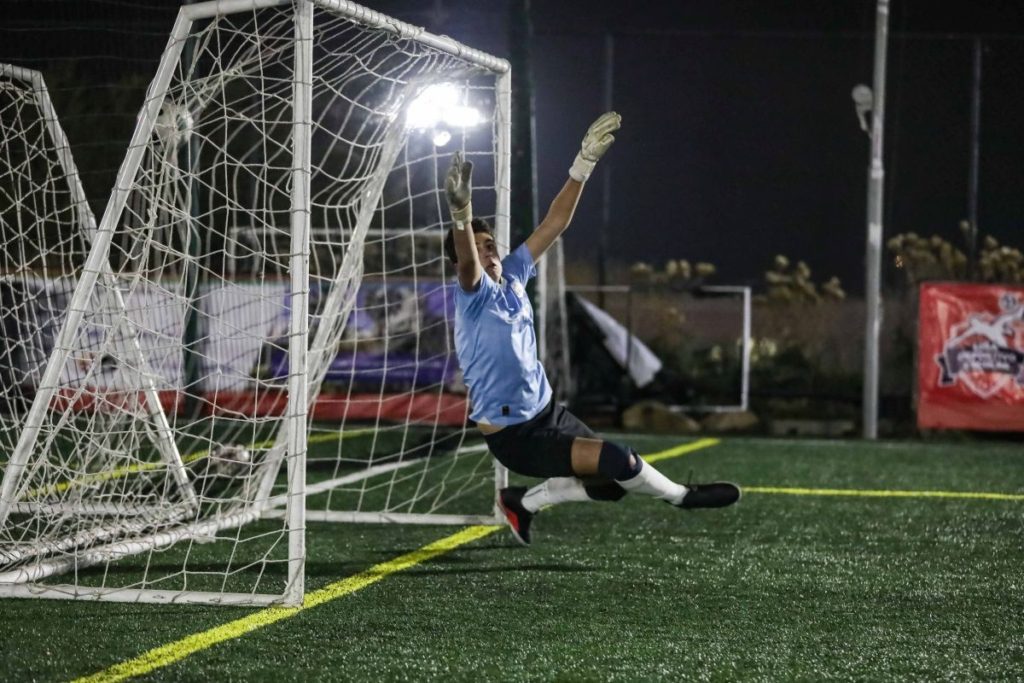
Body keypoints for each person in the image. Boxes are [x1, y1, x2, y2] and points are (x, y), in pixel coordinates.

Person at [442, 111, 740, 546]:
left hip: (548, 412)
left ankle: (521, 503)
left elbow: (555, 223)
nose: (488, 253)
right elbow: (468, 261)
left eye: (491, 245)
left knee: (611, 485)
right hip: (515, 436)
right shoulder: (472, 295)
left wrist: (583, 165)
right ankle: (682, 497)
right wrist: (461, 215)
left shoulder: (514, 274)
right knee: (621, 460)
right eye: (479, 248)